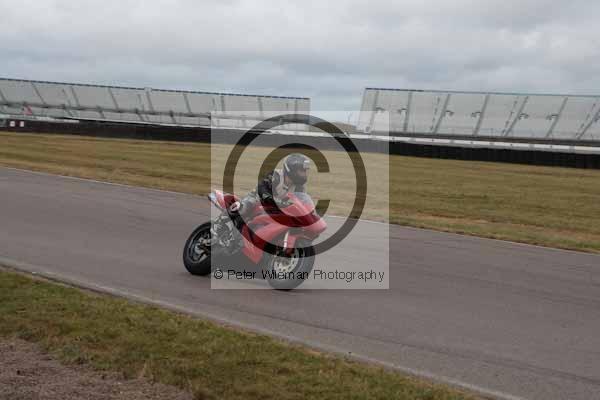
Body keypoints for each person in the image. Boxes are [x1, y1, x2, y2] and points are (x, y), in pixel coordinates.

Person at [229, 153, 311, 225]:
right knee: (244, 207)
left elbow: (301, 203)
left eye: (305, 171)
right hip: (257, 199)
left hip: (277, 208)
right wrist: (283, 203)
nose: (304, 174)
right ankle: (224, 224)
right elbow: (263, 193)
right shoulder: (275, 176)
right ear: (291, 170)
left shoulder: (299, 187)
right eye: (302, 171)